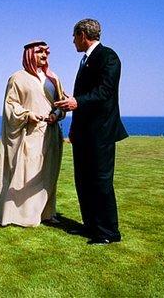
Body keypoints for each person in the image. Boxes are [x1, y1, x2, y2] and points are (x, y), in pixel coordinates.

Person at [56, 19, 128, 244]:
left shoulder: (108, 57)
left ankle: (108, 233)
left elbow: (105, 92)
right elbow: (88, 95)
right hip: (84, 133)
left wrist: (77, 102)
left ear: (83, 35)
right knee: (83, 180)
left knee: (100, 181)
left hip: (101, 133)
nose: (72, 41)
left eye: (74, 36)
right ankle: (90, 226)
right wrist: (73, 102)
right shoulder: (85, 60)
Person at [0, 40, 66, 227]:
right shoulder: (17, 78)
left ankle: (46, 213)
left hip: (51, 134)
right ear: (29, 54)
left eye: (46, 52)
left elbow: (61, 105)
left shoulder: (53, 79)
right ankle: (21, 215)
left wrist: (56, 115)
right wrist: (28, 115)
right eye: (40, 52)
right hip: (30, 135)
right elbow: (11, 106)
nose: (44, 56)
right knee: (27, 173)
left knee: (48, 173)